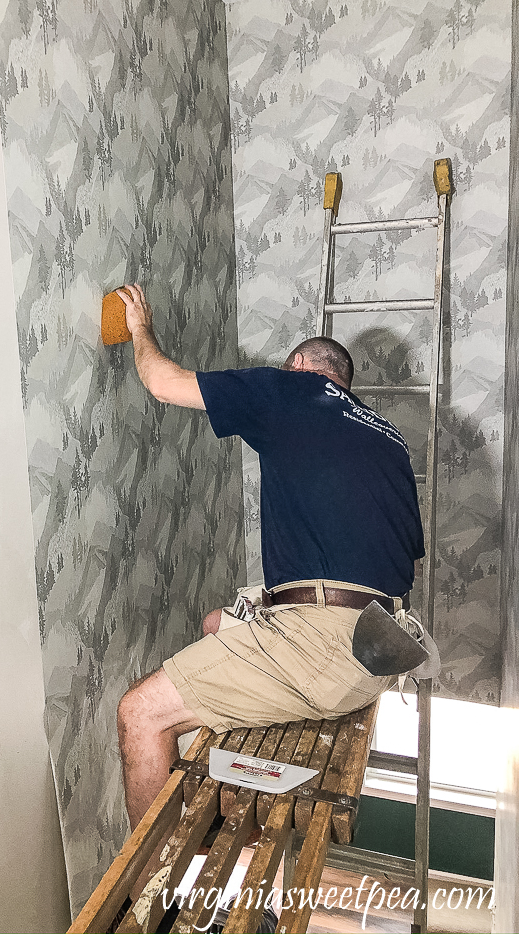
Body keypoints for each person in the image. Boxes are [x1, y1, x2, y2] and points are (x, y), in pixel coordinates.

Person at [114, 283, 425, 838]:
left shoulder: (291, 391)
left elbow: (161, 382)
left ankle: (153, 900)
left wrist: (139, 327)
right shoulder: (390, 439)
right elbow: (404, 559)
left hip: (324, 648)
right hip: (378, 650)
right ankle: (199, 813)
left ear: (300, 365)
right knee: (215, 624)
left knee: (139, 714)